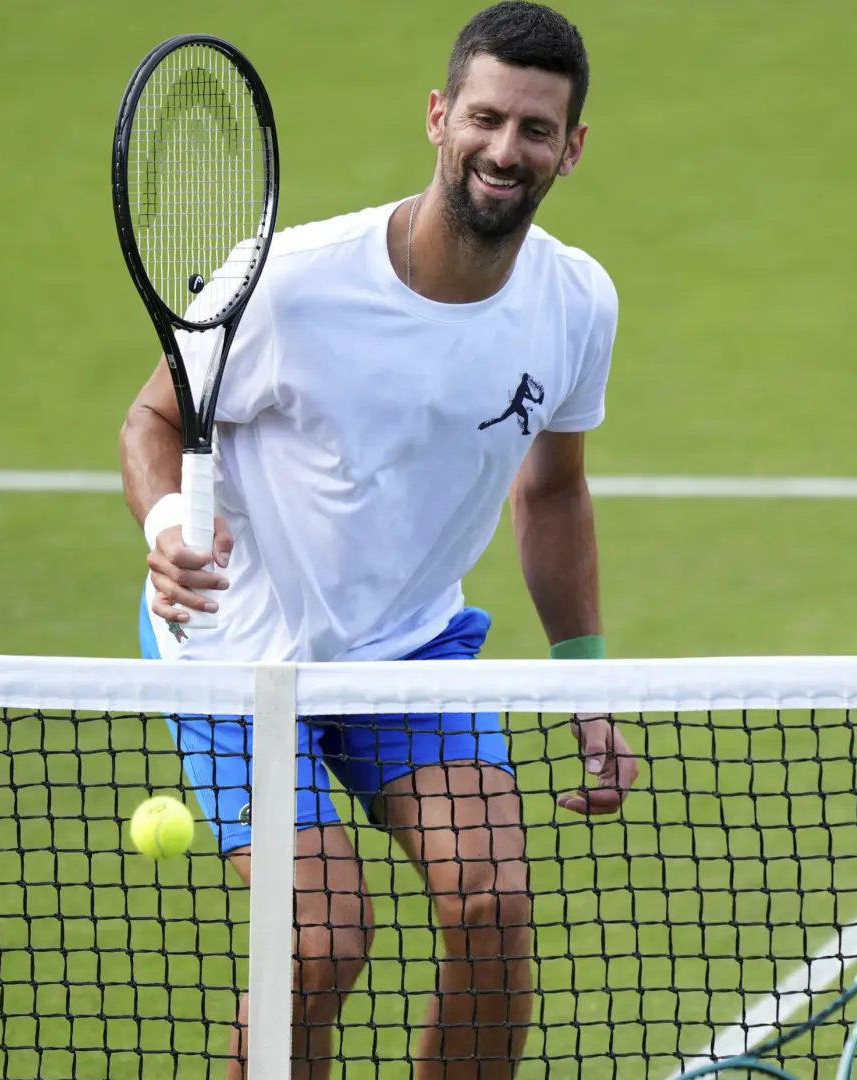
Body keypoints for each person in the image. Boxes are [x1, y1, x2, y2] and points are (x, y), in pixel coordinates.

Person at [118, 5, 636, 1078]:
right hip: (239, 656)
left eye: (536, 130)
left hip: (407, 648)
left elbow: (553, 494)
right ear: (440, 117)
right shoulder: (289, 281)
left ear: (571, 149)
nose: (506, 149)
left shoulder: (576, 302)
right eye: (486, 118)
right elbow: (153, 421)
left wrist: (587, 681)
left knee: (493, 908)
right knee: (324, 941)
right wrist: (170, 528)